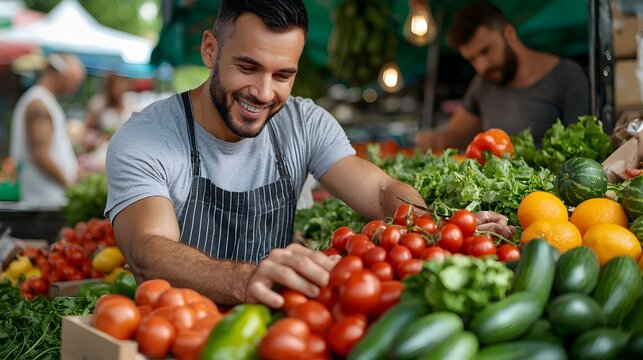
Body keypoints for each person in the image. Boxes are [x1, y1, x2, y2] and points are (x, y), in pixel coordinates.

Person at [106, 0, 512, 308]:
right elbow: (148, 250)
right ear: (210, 50)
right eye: (248, 67)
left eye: (282, 75)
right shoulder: (148, 138)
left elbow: (380, 191)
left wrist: (438, 227)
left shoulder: (303, 123)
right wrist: (245, 281)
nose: (264, 93)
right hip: (176, 327)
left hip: (281, 323)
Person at [415, 0, 590, 152]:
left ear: (509, 33)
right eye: (472, 59)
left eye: (486, 50)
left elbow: (581, 149)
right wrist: (436, 140)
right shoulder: (482, 83)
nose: (482, 66)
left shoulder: (567, 75)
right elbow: (457, 134)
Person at [10, 53, 85, 206]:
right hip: (44, 200)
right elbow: (40, 153)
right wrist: (71, 186)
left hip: (48, 198)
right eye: (74, 80)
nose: (75, 87)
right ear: (58, 72)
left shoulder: (43, 100)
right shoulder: (39, 103)